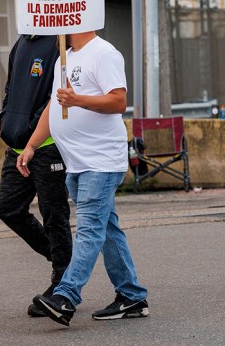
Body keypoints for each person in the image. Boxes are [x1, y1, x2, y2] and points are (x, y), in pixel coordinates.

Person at [26, 32, 148, 326]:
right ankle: (131, 295)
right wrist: (31, 145)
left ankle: (66, 296)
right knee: (106, 228)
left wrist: (78, 99)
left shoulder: (104, 53)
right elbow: (53, 108)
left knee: (90, 229)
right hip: (76, 162)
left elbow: (118, 101)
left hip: (101, 160)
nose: (56, 30)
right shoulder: (64, 59)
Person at [0, 35, 72, 318]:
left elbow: (58, 95)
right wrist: (8, 119)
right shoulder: (20, 43)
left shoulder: (59, 42)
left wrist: (32, 127)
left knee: (54, 214)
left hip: (48, 146)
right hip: (16, 144)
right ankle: (64, 261)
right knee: (9, 209)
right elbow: (11, 87)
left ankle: (62, 286)